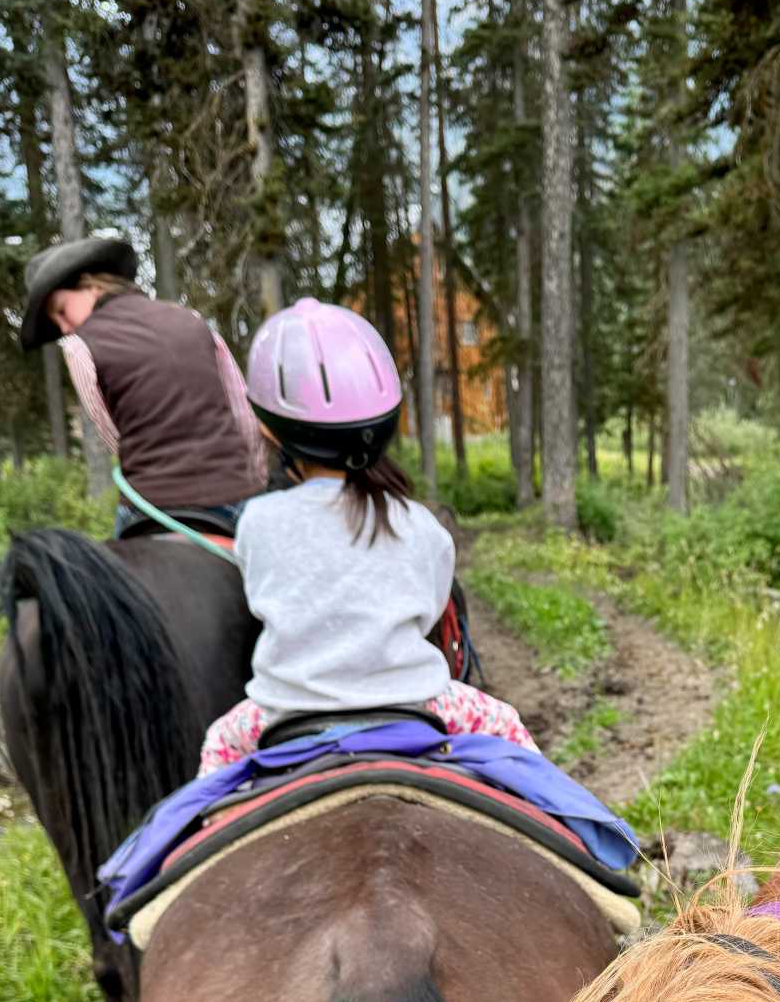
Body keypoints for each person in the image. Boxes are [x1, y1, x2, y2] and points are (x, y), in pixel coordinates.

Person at [196, 298, 537, 775]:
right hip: (416, 701)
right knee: (509, 729)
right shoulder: (421, 524)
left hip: (284, 712)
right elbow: (432, 608)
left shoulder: (257, 520)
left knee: (216, 752)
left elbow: (260, 596)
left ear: (270, 431)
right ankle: (578, 832)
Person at [19, 234, 267, 538]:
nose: (64, 327)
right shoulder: (191, 319)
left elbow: (114, 435)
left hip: (153, 504)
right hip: (235, 496)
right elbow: (243, 414)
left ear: (90, 286)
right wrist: (252, 482)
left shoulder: (79, 346)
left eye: (61, 311)